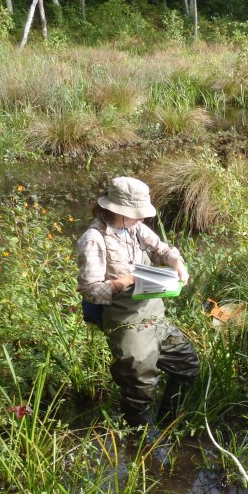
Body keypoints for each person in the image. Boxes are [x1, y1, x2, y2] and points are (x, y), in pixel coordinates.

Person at [76, 176, 200, 435]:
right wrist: (123, 282)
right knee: (140, 388)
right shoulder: (94, 239)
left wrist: (177, 262)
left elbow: (160, 249)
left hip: (156, 317)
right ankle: (138, 441)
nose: (141, 219)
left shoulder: (134, 228)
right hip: (126, 323)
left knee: (187, 366)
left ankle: (168, 422)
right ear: (116, 210)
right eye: (135, 214)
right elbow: (90, 291)